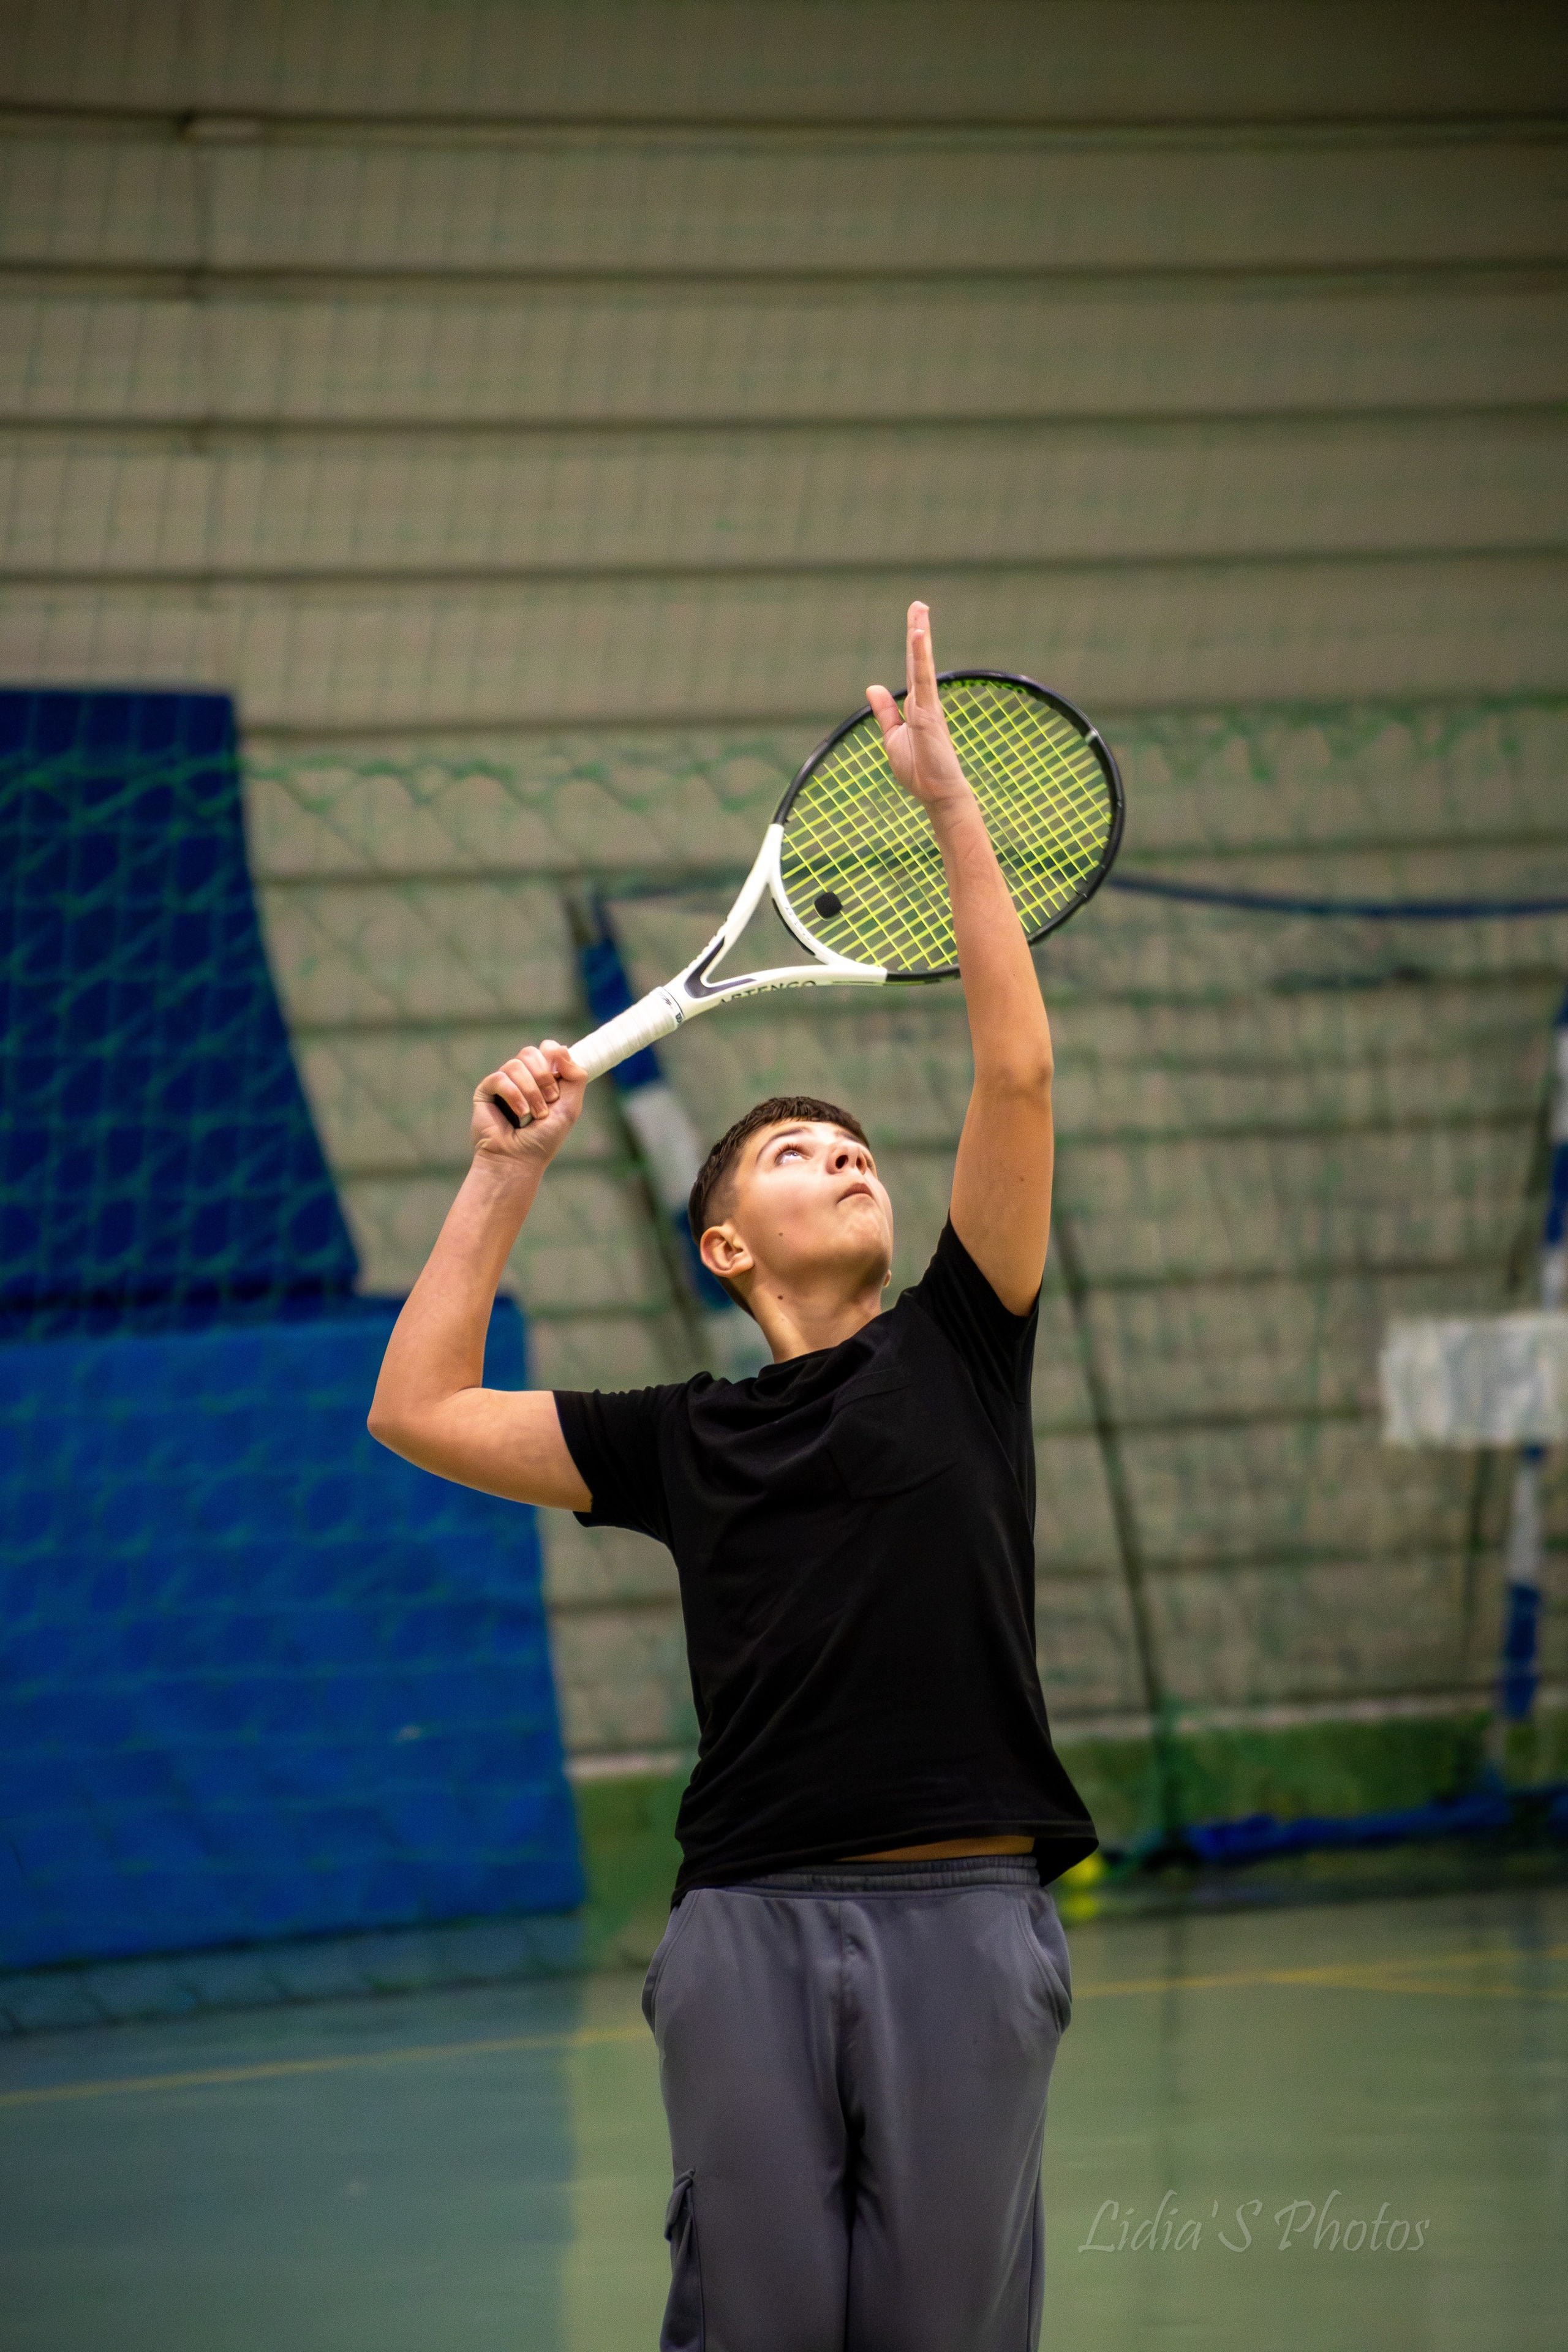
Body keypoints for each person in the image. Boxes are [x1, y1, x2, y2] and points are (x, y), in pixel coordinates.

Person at [369, 602, 1096, 2351]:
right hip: (748, 1924)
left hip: (964, 1915)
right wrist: (503, 1173)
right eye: (794, 1150)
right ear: (724, 1247)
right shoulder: (678, 1438)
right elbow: (420, 1407)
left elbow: (1015, 1067)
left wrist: (953, 810)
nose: (846, 1156)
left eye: (858, 1148)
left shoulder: (963, 1342)